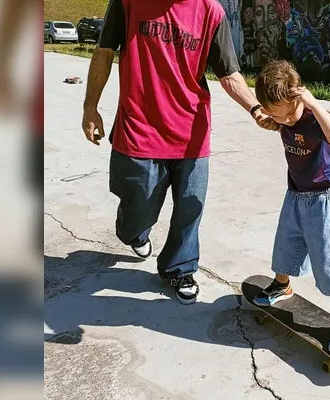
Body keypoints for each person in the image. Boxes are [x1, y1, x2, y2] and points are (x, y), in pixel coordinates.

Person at [81, 0, 278, 305]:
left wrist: (255, 109)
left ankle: (180, 267)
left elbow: (229, 72)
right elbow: (105, 51)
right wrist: (90, 106)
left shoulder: (211, 11)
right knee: (138, 206)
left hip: (190, 132)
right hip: (140, 127)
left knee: (190, 207)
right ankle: (134, 232)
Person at [252, 60, 330, 355]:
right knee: (286, 243)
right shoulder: (282, 117)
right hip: (295, 193)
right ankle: (282, 285)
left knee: (328, 257)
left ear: (299, 98)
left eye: (288, 114)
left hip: (325, 198)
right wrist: (265, 116)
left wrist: (314, 103)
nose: (283, 121)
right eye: (276, 116)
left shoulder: (312, 115)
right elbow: (276, 120)